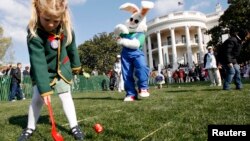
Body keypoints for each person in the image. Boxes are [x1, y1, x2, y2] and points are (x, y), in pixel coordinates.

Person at [18, 0, 84, 140]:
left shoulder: (66, 27)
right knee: (37, 99)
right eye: (47, 19)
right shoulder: (34, 34)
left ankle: (74, 126)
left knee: (66, 97)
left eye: (55, 20)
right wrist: (44, 88)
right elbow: (38, 62)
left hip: (62, 69)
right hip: (43, 72)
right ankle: (30, 127)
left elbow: (72, 47)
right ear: (38, 12)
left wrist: (76, 65)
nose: (51, 24)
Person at [114, 1, 154, 101]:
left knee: (142, 67)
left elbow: (135, 44)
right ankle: (131, 93)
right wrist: (119, 29)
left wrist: (122, 41)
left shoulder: (140, 35)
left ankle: (143, 87)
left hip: (137, 54)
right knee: (126, 74)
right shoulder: (126, 33)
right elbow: (116, 36)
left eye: (136, 21)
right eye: (131, 19)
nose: (132, 22)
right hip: (125, 54)